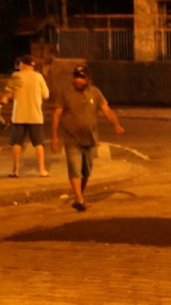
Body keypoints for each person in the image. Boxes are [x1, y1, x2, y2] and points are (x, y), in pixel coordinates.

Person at [50, 65, 124, 211]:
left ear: (88, 79)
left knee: (86, 171)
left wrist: (116, 124)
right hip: (72, 139)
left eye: (81, 77)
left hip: (90, 139)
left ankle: (80, 196)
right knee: (75, 168)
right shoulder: (65, 92)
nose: (78, 79)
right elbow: (57, 114)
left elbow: (106, 109)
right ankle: (78, 198)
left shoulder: (95, 93)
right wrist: (55, 137)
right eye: (76, 76)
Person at [1, 54, 50, 177]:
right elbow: (46, 95)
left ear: (22, 64)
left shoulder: (15, 76)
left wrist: (5, 98)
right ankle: (42, 170)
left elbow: (8, 95)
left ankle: (15, 170)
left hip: (19, 115)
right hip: (35, 115)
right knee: (38, 143)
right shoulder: (38, 77)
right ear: (32, 65)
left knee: (17, 143)